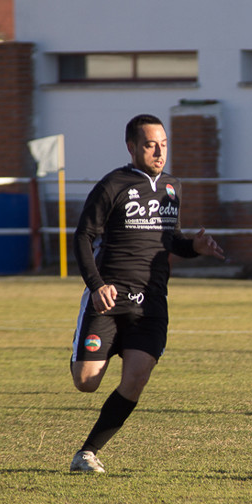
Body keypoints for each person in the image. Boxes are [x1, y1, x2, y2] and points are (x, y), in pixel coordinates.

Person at [68, 114, 225, 473]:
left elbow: (171, 240)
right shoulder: (113, 184)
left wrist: (194, 246)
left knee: (136, 378)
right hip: (109, 298)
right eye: (151, 145)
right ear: (132, 147)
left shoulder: (172, 187)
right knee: (86, 381)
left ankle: (87, 453)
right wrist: (96, 285)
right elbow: (83, 236)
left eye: (164, 145)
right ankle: (86, 343)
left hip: (151, 301)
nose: (159, 152)